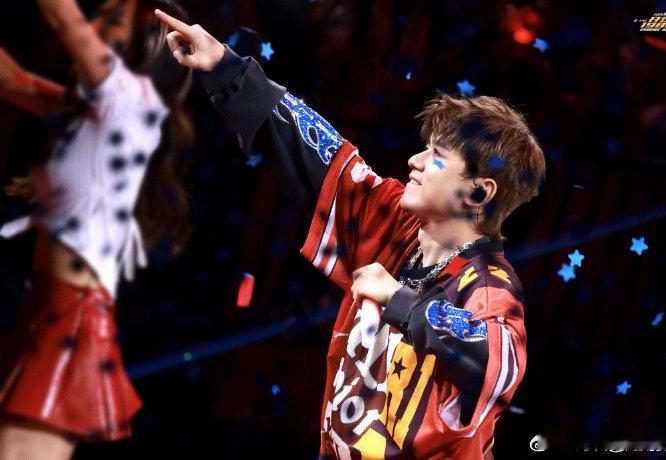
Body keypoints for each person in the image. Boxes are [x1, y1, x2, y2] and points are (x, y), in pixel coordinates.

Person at [156, 9, 545, 459]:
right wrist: (225, 67)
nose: (415, 161)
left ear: (478, 192)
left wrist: (400, 300)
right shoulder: (395, 223)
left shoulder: (490, 287)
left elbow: (500, 365)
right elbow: (320, 153)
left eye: (436, 155)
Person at [0, 1, 192, 458]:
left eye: (112, 18)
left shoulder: (131, 103)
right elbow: (13, 81)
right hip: (45, 309)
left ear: (143, 52)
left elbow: (61, 16)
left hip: (70, 324)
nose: (93, 25)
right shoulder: (95, 112)